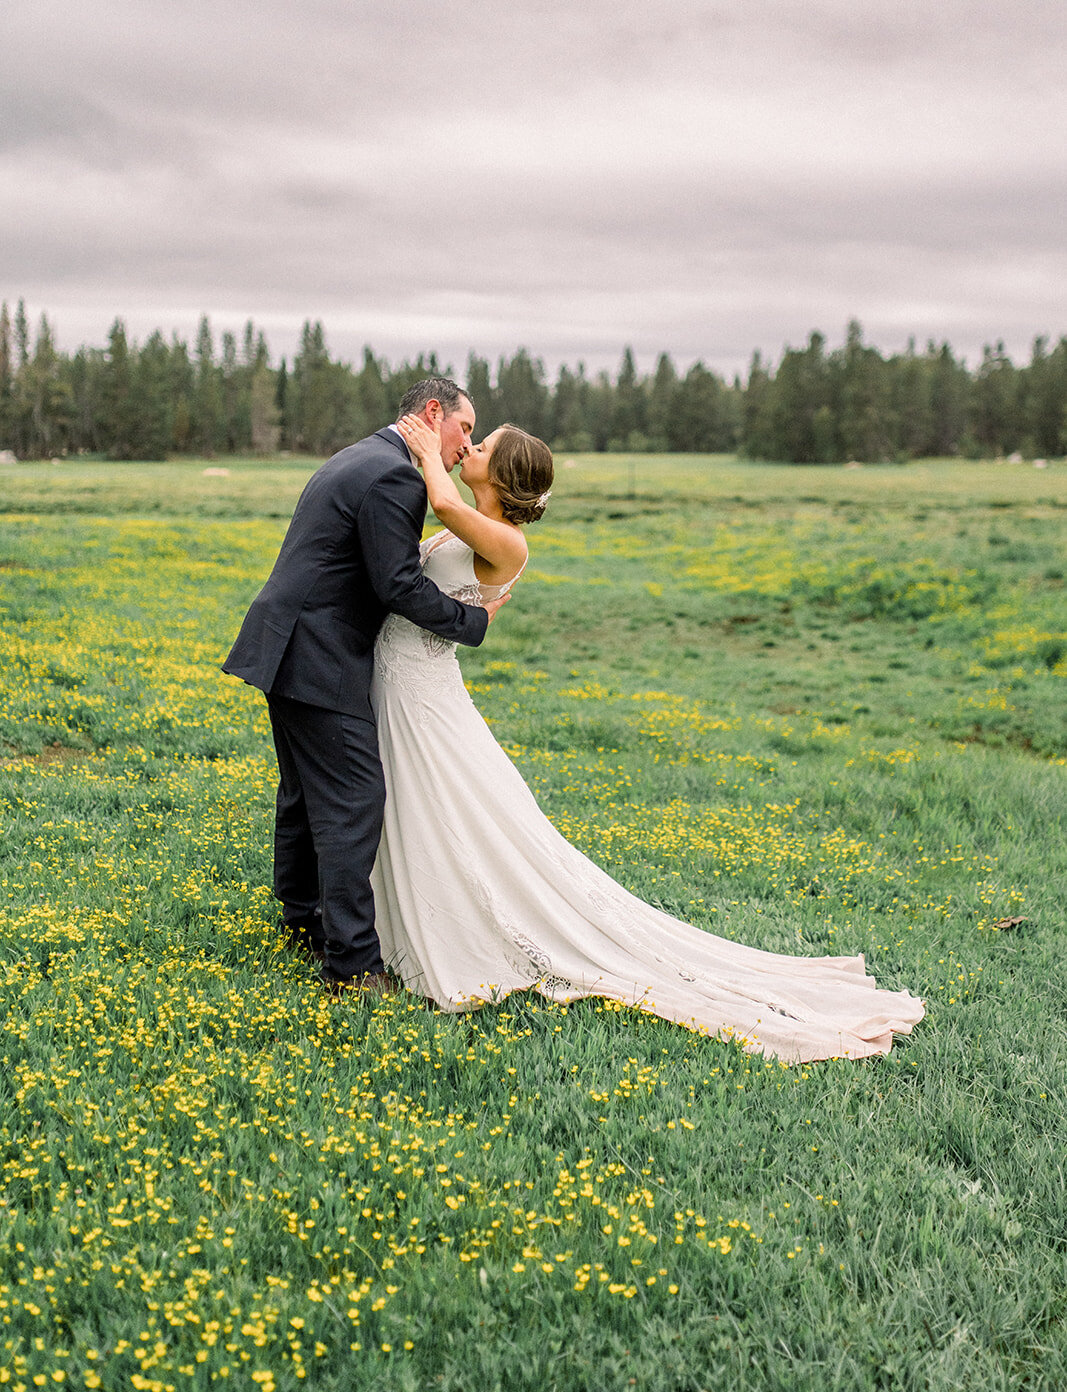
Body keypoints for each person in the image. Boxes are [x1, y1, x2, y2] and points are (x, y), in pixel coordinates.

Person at [369, 413, 925, 1064]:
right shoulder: (477, 522)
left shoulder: (508, 542)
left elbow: (441, 499)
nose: (471, 446)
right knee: (424, 804)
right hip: (409, 681)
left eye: (482, 445)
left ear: (501, 472)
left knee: (437, 806)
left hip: (421, 689)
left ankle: (447, 934)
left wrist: (420, 448)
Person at [222, 379, 508, 992]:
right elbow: (397, 584)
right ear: (435, 414)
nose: (465, 446)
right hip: (318, 654)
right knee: (352, 799)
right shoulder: (395, 476)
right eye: (463, 429)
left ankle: (303, 924)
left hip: (289, 643)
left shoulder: (363, 454)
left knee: (303, 796)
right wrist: (473, 621)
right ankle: (351, 967)